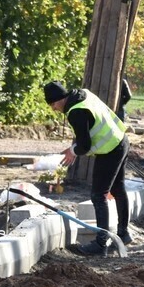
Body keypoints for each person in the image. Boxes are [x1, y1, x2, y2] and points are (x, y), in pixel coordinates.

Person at [43, 80, 131, 255]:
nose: (53, 108)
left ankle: (100, 244)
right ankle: (123, 234)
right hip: (121, 140)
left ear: (60, 99)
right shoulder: (83, 94)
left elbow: (84, 145)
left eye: (53, 104)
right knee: (118, 189)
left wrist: (72, 151)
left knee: (99, 195)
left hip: (110, 150)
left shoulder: (76, 112)